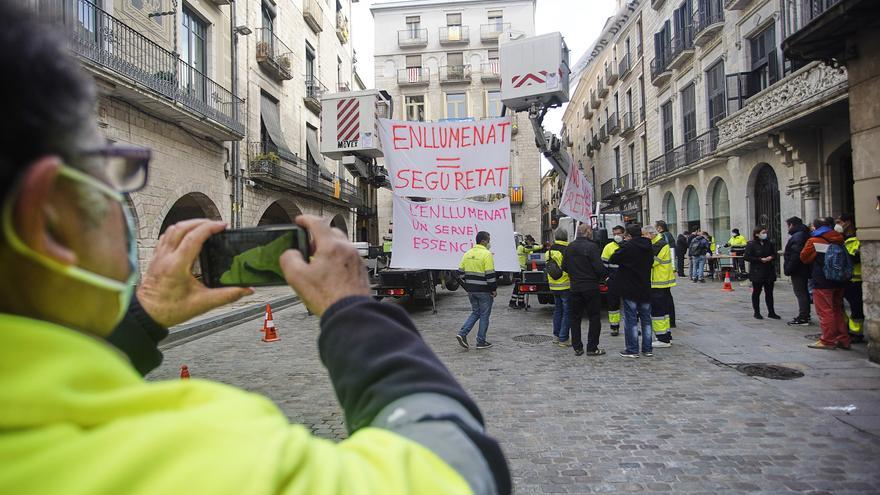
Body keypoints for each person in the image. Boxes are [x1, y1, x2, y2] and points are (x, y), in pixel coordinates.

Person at [0, 7, 511, 493]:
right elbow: (460, 472)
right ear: (50, 218)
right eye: (111, 172)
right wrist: (352, 309)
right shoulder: (203, 453)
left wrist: (140, 320)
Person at [801, 217, 850, 350]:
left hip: (822, 280)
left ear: (815, 227)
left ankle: (827, 340)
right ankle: (843, 339)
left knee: (825, 311)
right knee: (838, 310)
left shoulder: (814, 240)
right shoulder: (839, 238)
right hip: (838, 279)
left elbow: (804, 257)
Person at [609, 225, 653, 358]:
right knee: (646, 319)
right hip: (645, 286)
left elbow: (613, 258)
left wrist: (623, 244)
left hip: (630, 288)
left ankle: (632, 349)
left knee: (631, 319)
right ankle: (647, 348)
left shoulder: (628, 247)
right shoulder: (648, 245)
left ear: (628, 235)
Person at [562, 223, 606, 356]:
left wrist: (574, 274)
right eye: (590, 231)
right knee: (594, 317)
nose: (592, 233)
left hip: (575, 287)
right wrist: (601, 276)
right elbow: (599, 268)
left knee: (575, 318)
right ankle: (592, 347)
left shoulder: (570, 247)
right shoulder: (592, 247)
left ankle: (577, 347)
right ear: (587, 232)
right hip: (590, 286)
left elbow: (564, 266)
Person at [457, 231, 497, 350]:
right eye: (488, 240)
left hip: (472, 290)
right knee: (484, 315)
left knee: (476, 312)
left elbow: (459, 273)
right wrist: (493, 289)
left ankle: (462, 333)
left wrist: (468, 285)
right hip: (484, 291)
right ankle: (481, 341)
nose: (489, 242)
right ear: (483, 241)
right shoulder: (487, 254)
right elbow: (490, 275)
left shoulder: (467, 253)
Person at [836, 213, 864, 343]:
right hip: (843, 278)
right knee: (840, 305)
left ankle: (856, 332)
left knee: (855, 307)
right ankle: (845, 328)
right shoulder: (841, 239)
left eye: (840, 222)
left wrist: (845, 257)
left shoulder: (858, 239)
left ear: (848, 223)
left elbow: (859, 258)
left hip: (855, 279)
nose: (838, 225)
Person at [646, 225, 675, 347]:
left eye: (644, 235)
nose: (643, 238)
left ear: (650, 234)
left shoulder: (659, 244)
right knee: (665, 311)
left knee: (658, 312)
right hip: (663, 282)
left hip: (658, 282)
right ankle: (667, 335)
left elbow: (651, 262)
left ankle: (662, 339)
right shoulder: (658, 243)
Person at [744, 227, 780, 320]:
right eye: (763, 232)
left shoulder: (769, 243)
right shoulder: (751, 244)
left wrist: (771, 257)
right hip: (757, 271)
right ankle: (757, 312)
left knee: (769, 293)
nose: (765, 234)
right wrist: (759, 259)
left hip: (768, 271)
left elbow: (774, 254)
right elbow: (747, 257)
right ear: (757, 234)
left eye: (765, 232)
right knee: (756, 292)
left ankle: (771, 312)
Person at [783, 216, 812, 326]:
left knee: (801, 292)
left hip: (798, 269)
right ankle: (805, 314)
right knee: (803, 292)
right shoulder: (803, 234)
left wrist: (789, 269)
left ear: (791, 225)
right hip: (803, 268)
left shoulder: (798, 236)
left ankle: (803, 316)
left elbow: (796, 255)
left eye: (788, 225)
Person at [546, 229, 571, 346]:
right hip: (565, 284)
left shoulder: (550, 251)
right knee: (567, 312)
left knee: (558, 311)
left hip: (553, 285)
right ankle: (564, 338)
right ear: (566, 237)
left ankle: (556, 336)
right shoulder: (567, 250)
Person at [601, 225, 625, 336]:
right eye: (614, 234)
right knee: (613, 305)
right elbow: (603, 265)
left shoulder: (628, 245)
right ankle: (614, 327)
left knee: (629, 305)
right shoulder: (608, 247)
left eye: (619, 233)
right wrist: (607, 278)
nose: (617, 236)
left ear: (623, 234)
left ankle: (631, 326)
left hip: (627, 280)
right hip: (613, 280)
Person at [655, 221, 677, 328]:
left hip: (663, 273)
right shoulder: (668, 235)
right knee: (668, 297)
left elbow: (668, 252)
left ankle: (670, 320)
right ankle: (671, 320)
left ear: (660, 228)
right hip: (667, 271)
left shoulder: (663, 237)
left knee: (665, 299)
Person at [509, 234, 538, 309]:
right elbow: (530, 249)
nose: (531, 244)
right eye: (531, 242)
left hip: (522, 269)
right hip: (519, 269)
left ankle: (521, 302)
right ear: (528, 241)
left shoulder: (522, 247)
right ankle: (512, 302)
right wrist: (541, 246)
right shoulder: (522, 247)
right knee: (517, 286)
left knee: (522, 285)